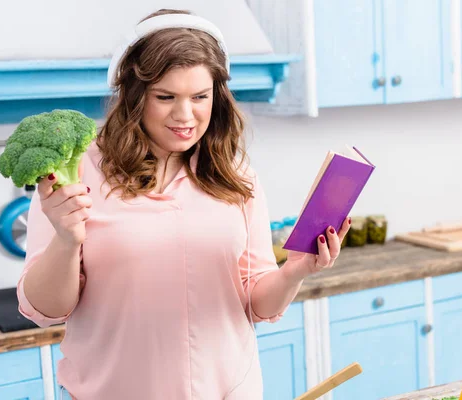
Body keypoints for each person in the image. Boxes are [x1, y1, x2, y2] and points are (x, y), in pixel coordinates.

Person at [17, 8, 352, 400]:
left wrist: (296, 270)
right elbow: (45, 310)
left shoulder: (236, 175)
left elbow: (256, 303)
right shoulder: (74, 170)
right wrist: (67, 238)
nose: (185, 115)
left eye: (199, 97)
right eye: (166, 97)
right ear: (134, 94)